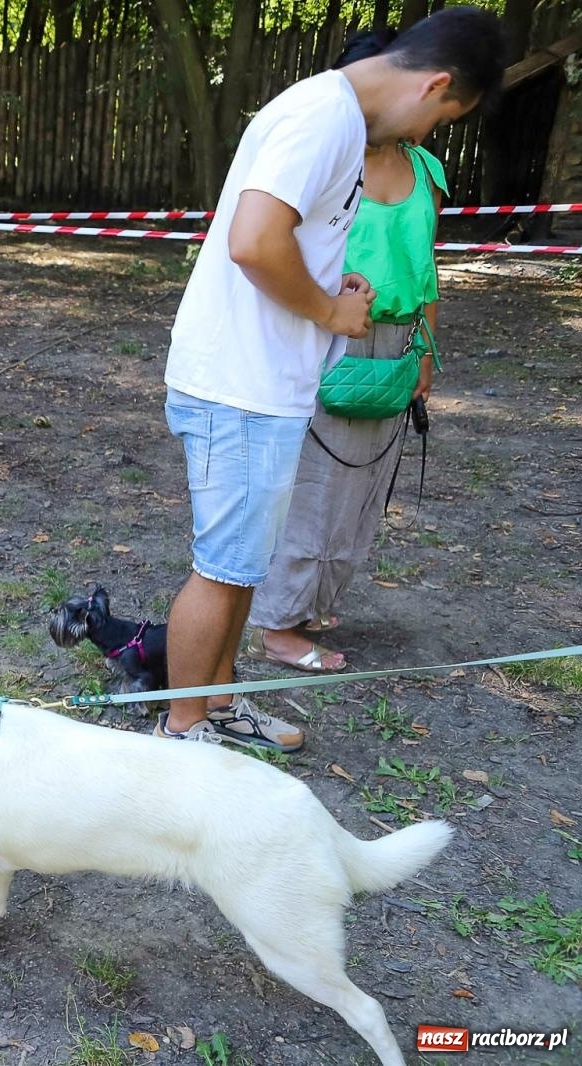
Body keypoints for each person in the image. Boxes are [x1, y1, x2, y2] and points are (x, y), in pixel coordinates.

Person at [157, 7, 503, 749]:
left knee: (244, 566)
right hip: (237, 383)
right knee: (221, 569)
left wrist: (322, 279)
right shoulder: (325, 116)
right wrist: (329, 311)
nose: (426, 135)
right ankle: (182, 731)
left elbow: (280, 236)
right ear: (435, 83)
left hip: (267, 382)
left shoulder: (339, 120)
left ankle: (216, 707)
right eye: (443, 116)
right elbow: (253, 242)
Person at [246, 29, 448, 675]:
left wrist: (426, 349)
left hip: (397, 340)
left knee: (362, 491)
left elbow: (427, 268)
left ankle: (313, 602)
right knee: (314, 485)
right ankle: (277, 623)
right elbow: (276, 248)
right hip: (327, 333)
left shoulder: (425, 169)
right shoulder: (325, 155)